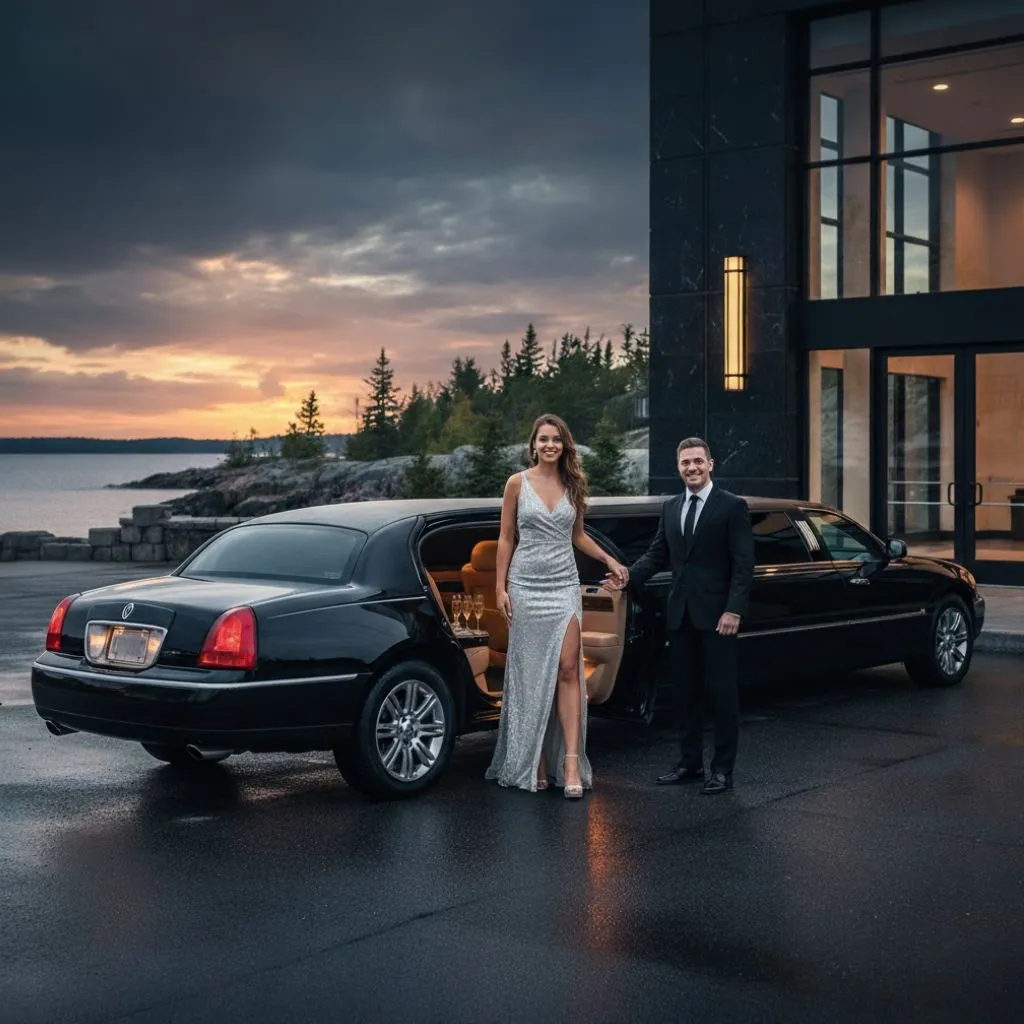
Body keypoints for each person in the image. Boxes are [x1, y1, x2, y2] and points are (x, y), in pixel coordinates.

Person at [485, 414, 628, 798]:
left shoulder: (573, 484)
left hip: (564, 585)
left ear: (565, 445)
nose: (549, 445)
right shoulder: (517, 483)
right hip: (525, 586)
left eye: (556, 439)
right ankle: (534, 759)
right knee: (532, 675)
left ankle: (570, 761)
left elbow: (577, 535)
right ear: (533, 445)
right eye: (543, 439)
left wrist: (609, 559)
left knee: (568, 668)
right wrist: (500, 588)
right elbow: (505, 538)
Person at [606, 437, 754, 794]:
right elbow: (656, 555)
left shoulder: (732, 506)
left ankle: (722, 770)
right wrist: (625, 577)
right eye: (686, 462)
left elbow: (743, 564)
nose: (692, 467)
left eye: (698, 461)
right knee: (684, 695)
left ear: (710, 464)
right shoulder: (671, 507)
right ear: (678, 467)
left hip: (718, 618)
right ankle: (690, 763)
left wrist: (733, 609)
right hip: (680, 616)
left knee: (721, 695)